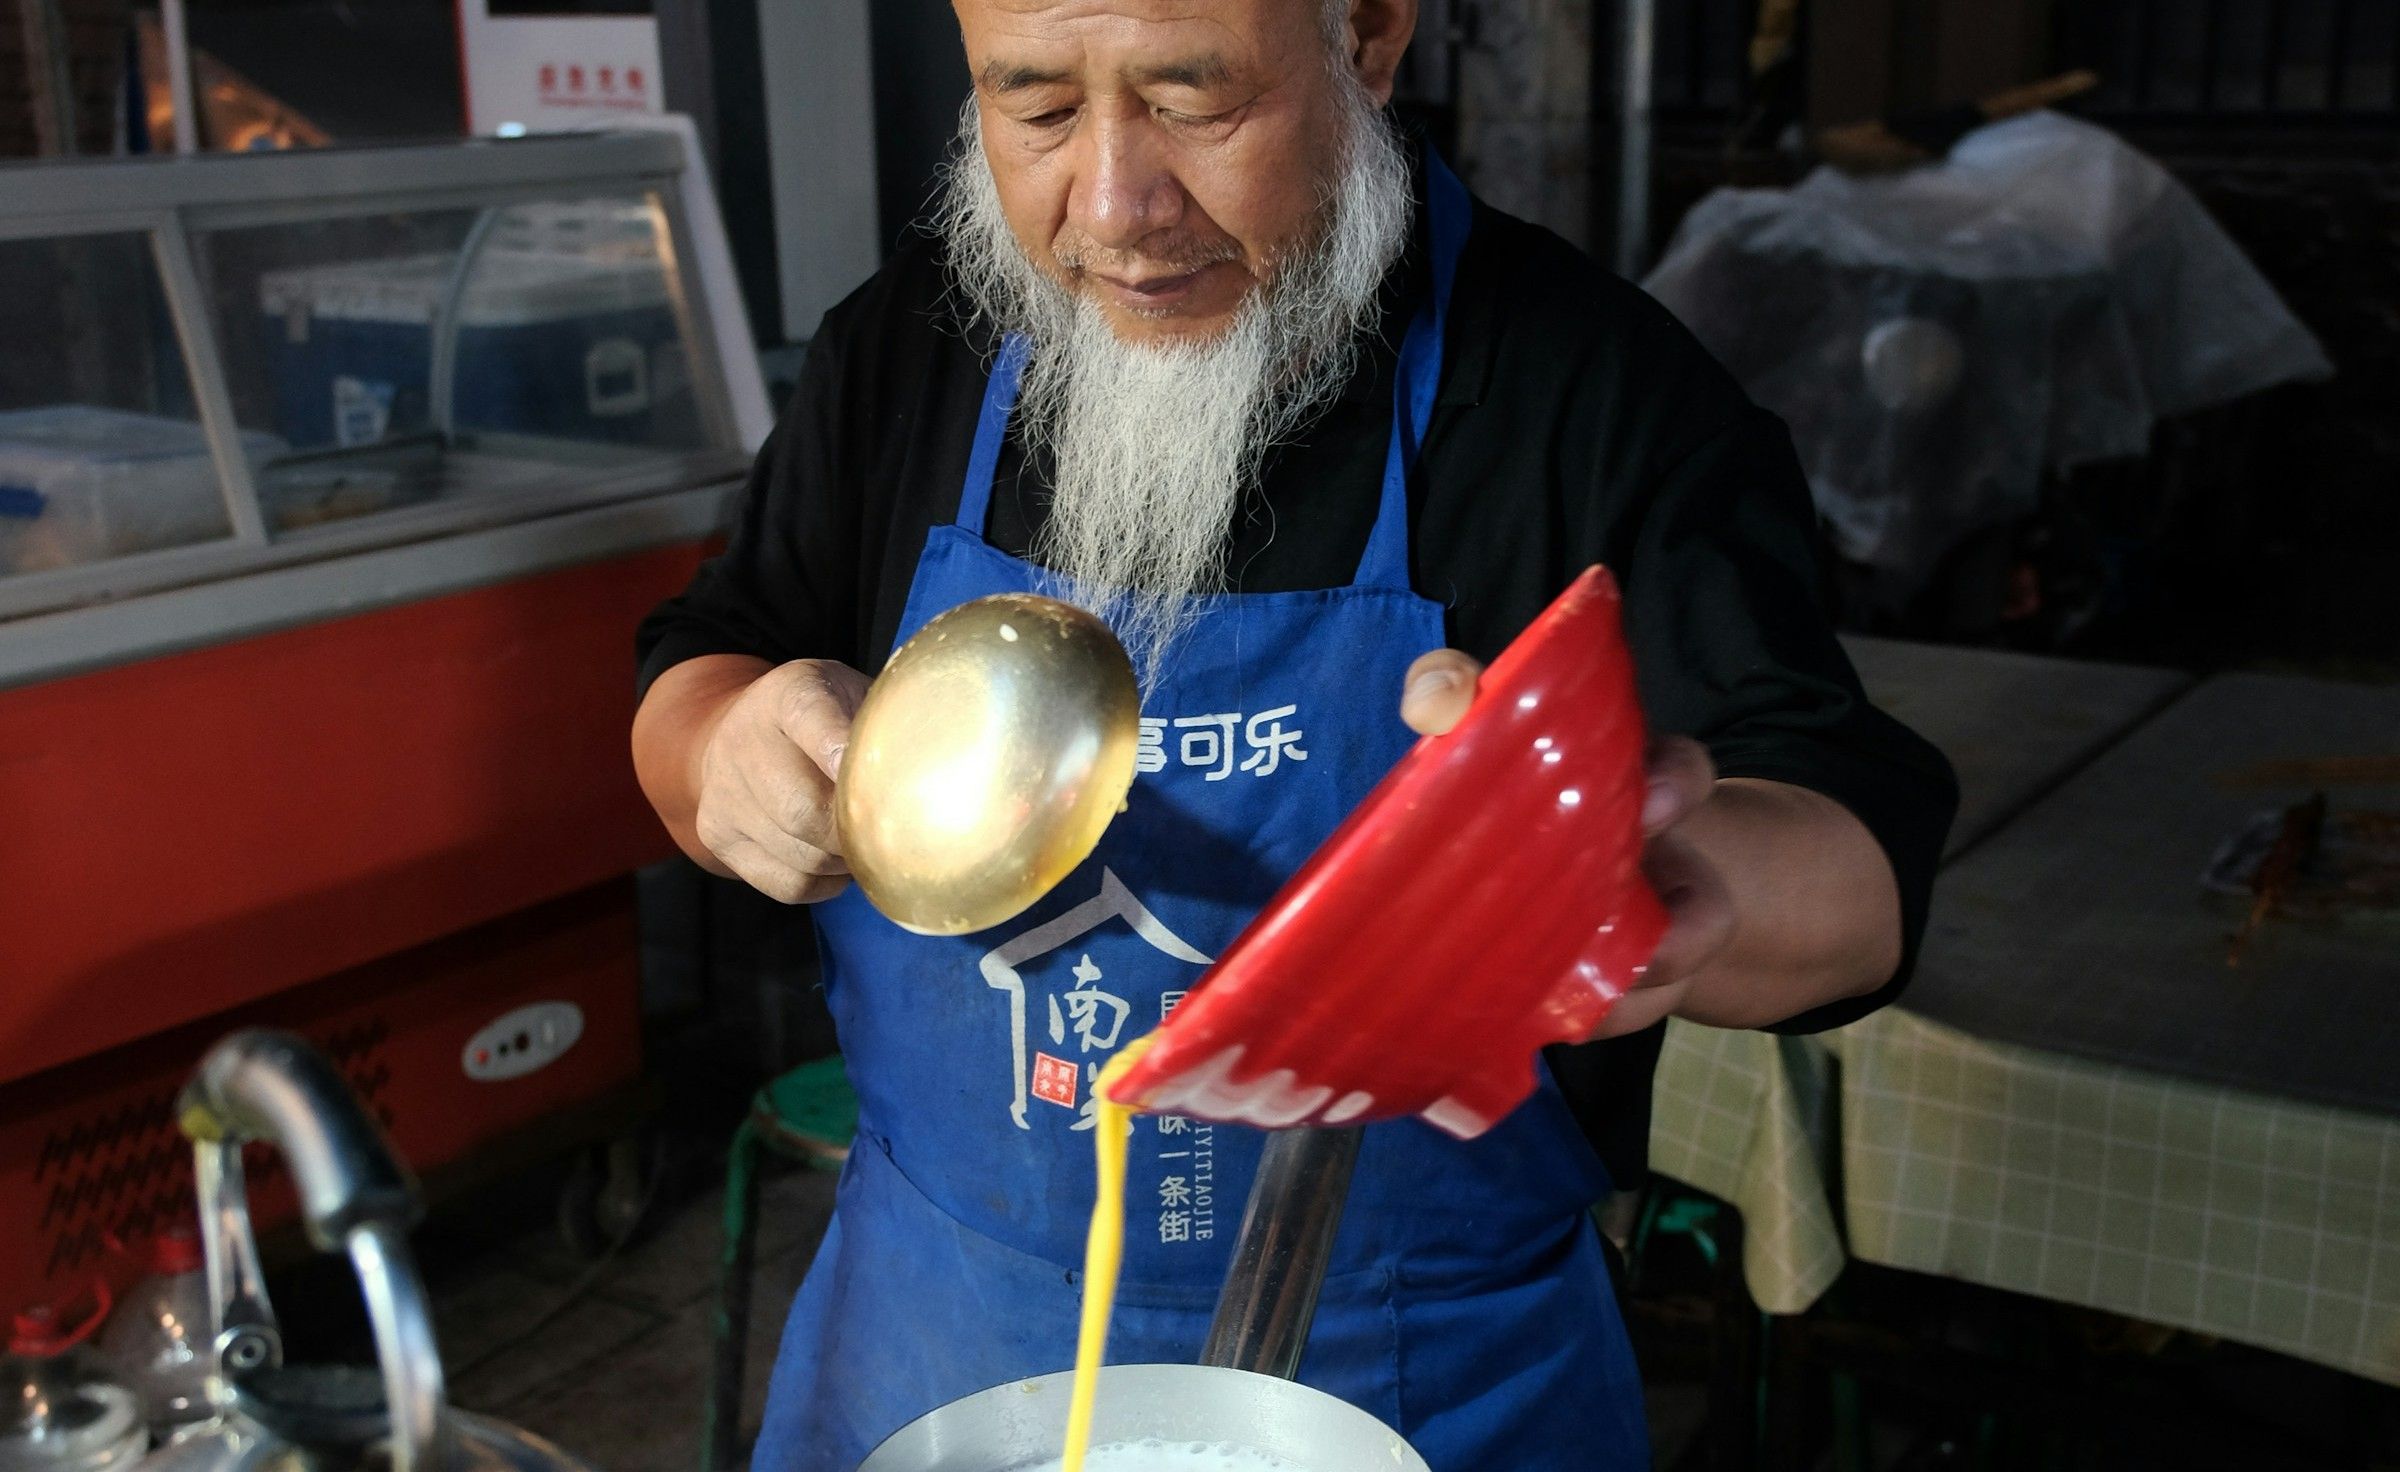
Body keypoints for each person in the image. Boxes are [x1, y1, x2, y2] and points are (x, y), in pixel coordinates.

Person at [631, 0, 1956, 1465]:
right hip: (934, 1354)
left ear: (1372, 37)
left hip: (1419, 1387)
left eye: (1193, 104)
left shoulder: (1589, 390)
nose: (1117, 208)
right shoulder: (911, 350)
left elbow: (1856, 879)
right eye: (1039, 110)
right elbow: (704, 661)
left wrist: (1652, 893)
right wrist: (719, 753)